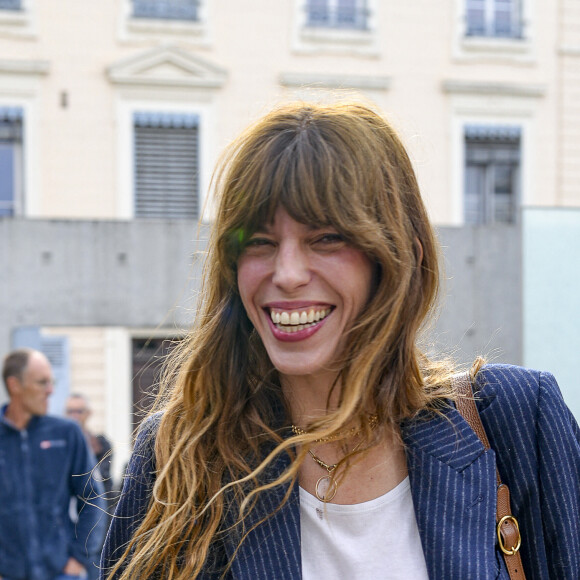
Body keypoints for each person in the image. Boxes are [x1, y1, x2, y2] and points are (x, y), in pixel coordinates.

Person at [100, 102, 580, 579]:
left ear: (397, 257)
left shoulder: (517, 419)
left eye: (326, 238)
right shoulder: (179, 454)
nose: (286, 274)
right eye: (259, 242)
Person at [0, 348, 107, 580]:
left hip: (63, 572)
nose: (51, 390)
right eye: (42, 383)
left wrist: (81, 557)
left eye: (51, 382)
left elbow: (93, 497)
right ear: (14, 385)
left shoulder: (67, 433)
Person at [65, 393, 115, 580]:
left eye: (79, 411)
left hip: (96, 522)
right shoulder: (61, 444)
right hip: (70, 529)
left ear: (89, 413)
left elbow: (101, 480)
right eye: (70, 411)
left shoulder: (100, 443)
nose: (74, 415)